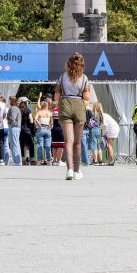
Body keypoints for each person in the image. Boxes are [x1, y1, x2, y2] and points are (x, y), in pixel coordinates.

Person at [54, 52, 90, 180]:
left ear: (68, 63)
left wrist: (59, 103)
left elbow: (57, 95)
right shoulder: (84, 78)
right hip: (79, 105)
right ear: (82, 64)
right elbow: (86, 97)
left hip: (65, 104)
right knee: (77, 142)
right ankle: (77, 170)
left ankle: (69, 169)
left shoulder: (62, 77)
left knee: (68, 140)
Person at [34, 99, 52, 165]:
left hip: (41, 128)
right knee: (48, 145)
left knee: (40, 145)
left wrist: (39, 125)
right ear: (47, 106)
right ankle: (49, 161)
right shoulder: (49, 112)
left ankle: (39, 161)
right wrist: (50, 125)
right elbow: (52, 121)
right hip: (47, 129)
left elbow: (35, 119)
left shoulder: (39, 112)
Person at [19, 98, 35, 165]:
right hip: (27, 130)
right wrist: (31, 127)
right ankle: (32, 159)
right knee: (31, 144)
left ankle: (23, 159)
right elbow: (31, 121)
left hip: (20, 130)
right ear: (26, 102)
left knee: (22, 144)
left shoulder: (19, 110)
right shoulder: (28, 110)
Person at [7, 96, 22, 166]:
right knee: (16, 144)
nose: (9, 102)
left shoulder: (13, 108)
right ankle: (18, 160)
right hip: (16, 127)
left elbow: (12, 118)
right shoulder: (16, 108)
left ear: (12, 101)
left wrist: (8, 119)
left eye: (9, 100)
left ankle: (17, 161)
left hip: (14, 126)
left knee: (14, 144)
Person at [50, 99, 64, 165]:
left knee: (54, 145)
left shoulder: (52, 111)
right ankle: (58, 160)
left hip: (54, 129)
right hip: (60, 128)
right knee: (60, 145)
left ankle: (54, 160)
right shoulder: (61, 111)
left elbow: (51, 122)